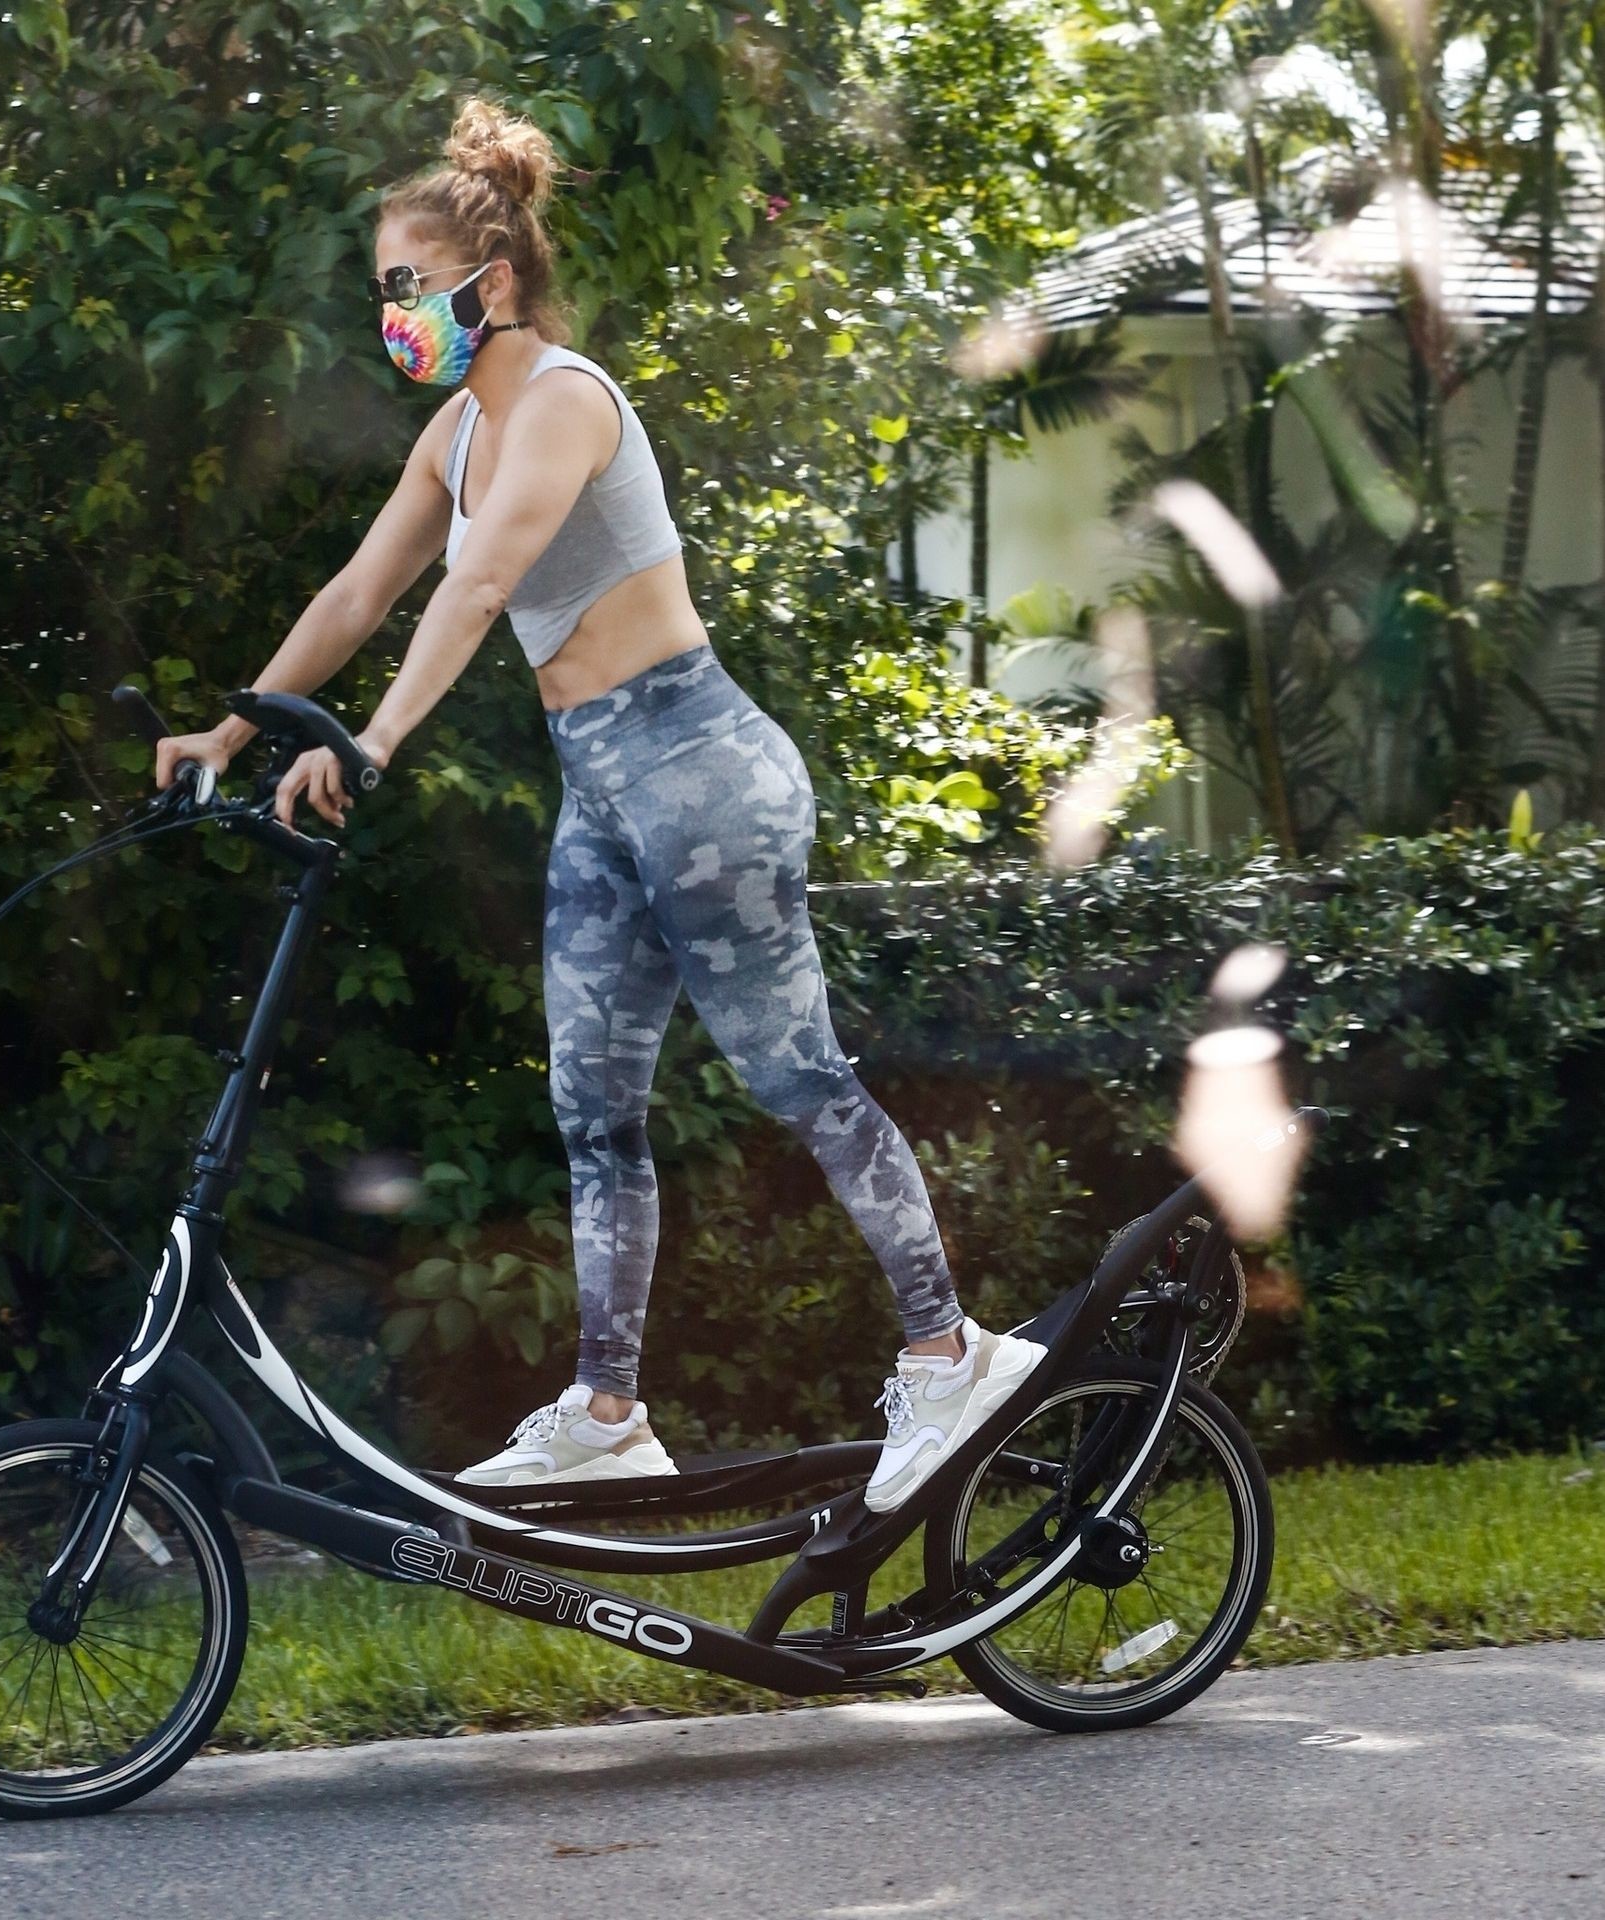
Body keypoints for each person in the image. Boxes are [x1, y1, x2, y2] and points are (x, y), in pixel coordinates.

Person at [154, 97, 1044, 1515]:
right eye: (382, 289)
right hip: (603, 792)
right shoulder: (455, 434)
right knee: (592, 1112)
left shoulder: (565, 401)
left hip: (702, 768)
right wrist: (233, 724)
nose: (392, 313)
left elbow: (479, 587)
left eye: (406, 283)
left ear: (490, 281)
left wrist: (373, 742)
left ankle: (953, 1354)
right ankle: (611, 1412)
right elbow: (358, 591)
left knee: (792, 1075)